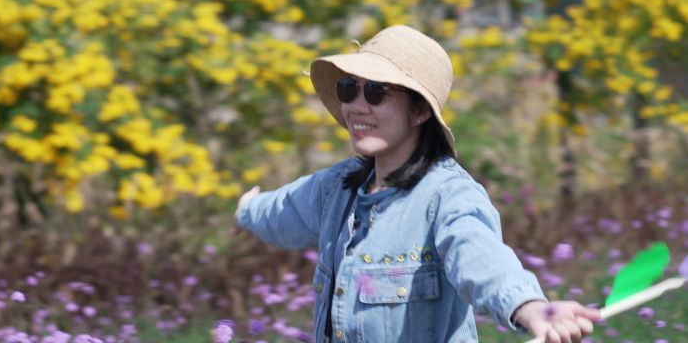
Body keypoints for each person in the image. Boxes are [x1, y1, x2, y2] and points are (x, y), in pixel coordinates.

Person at [233, 25, 600, 343]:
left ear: (420, 111)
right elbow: (280, 211)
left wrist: (529, 307)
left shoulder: (448, 196)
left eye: (376, 91)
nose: (357, 106)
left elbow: (482, 260)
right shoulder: (336, 188)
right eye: (349, 88)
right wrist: (246, 210)